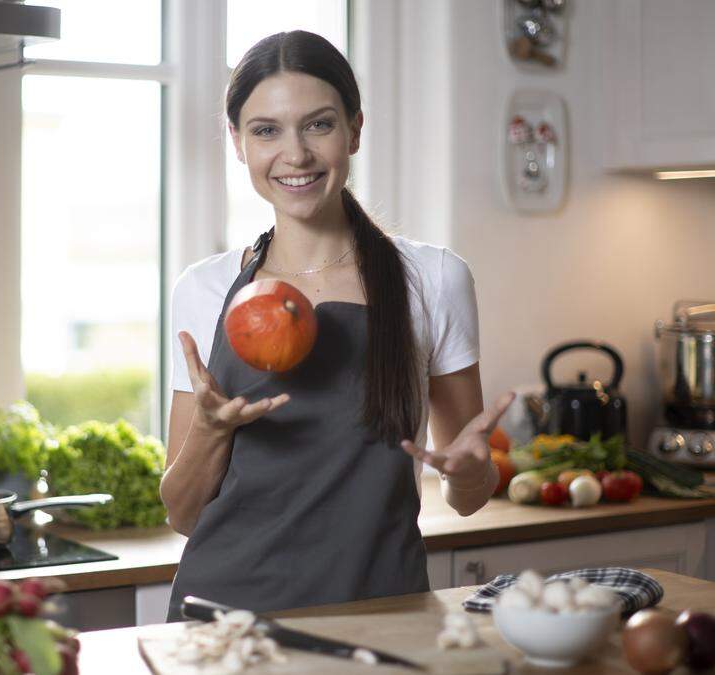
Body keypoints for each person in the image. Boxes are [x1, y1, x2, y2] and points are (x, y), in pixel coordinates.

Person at [160, 30, 514, 621]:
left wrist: (474, 470)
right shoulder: (203, 289)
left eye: (318, 125)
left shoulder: (434, 278)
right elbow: (183, 515)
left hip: (383, 615)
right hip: (223, 625)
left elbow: (467, 495)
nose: (294, 154)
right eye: (266, 130)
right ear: (237, 143)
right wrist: (213, 431)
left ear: (354, 129)